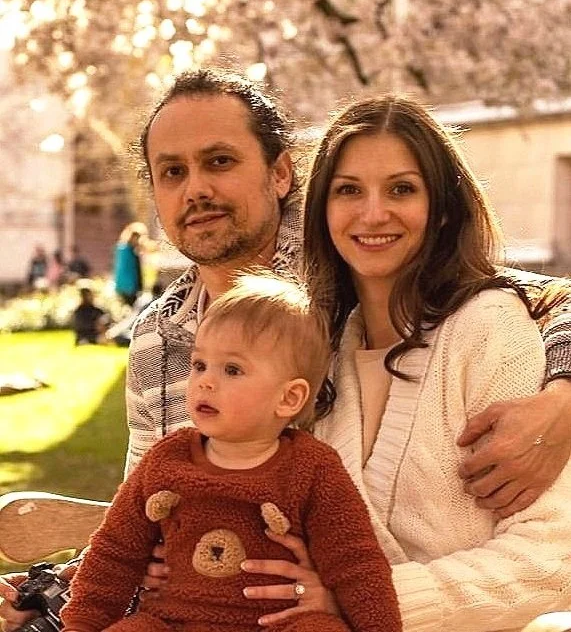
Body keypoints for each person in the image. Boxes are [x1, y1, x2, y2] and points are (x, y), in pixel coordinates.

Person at [2, 71, 571, 631]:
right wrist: (46, 595)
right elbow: (140, 520)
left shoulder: (330, 293)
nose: (196, 188)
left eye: (220, 161)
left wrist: (564, 393)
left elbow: (525, 297)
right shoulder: (158, 336)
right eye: (172, 172)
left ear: (281, 174)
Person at [243, 94, 570, 632]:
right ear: (322, 210)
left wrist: (361, 600)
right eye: (349, 190)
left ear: (441, 207)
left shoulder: (489, 329)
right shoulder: (320, 350)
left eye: (401, 189)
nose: (374, 213)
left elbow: (552, 562)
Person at [59, 272, 402, 632]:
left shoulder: (311, 468)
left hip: (277, 623)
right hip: (172, 621)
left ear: (289, 398)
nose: (204, 381)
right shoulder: (168, 458)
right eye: (199, 364)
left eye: (232, 369)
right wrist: (81, 625)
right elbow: (114, 553)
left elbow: (357, 565)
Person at [114, 223, 146, 306]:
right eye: (137, 238)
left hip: (129, 286)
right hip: (128, 287)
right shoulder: (126, 250)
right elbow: (126, 269)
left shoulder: (129, 250)